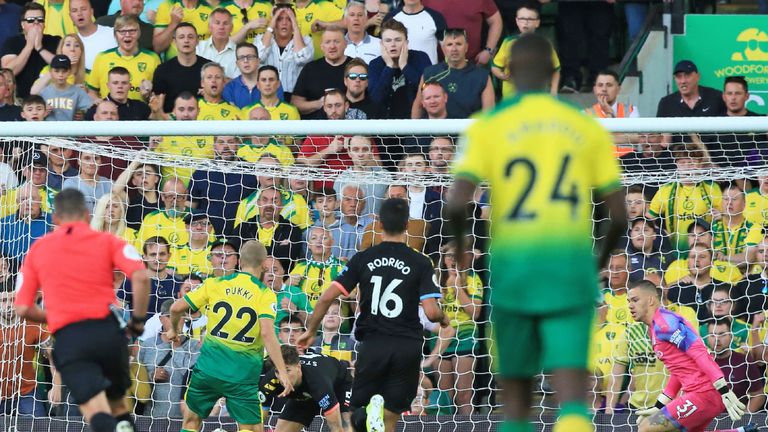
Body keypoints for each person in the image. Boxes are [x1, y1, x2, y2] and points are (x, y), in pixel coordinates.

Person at [447, 33, 626, 432]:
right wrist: (595, 263)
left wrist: (461, 250)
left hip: (512, 266)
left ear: (507, 74)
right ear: (553, 75)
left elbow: (456, 203)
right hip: (569, 264)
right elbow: (618, 215)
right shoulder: (586, 127)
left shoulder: (487, 126)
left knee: (515, 405)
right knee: (573, 399)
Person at [297, 198, 447, 432]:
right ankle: (376, 412)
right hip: (407, 345)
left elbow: (326, 298)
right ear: (407, 225)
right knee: (393, 413)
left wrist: (311, 331)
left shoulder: (363, 258)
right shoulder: (421, 262)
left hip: (373, 342)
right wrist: (444, 318)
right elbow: (431, 311)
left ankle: (367, 412)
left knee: (356, 410)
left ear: (378, 224)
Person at [14, 189, 150, 432]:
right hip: (109, 332)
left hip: (72, 337)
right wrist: (138, 322)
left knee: (94, 411)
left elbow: (23, 307)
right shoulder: (108, 241)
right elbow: (140, 277)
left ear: (55, 218)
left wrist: (57, 315)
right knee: (118, 407)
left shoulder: (39, 249)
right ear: (87, 216)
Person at [166, 240, 294, 432]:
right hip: (242, 377)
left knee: (191, 422)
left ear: (240, 261)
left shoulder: (214, 284)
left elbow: (176, 308)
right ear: (265, 265)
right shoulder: (265, 294)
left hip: (208, 371)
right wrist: (283, 372)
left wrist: (174, 330)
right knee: (251, 428)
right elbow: (267, 333)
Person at [627, 281, 755, 432]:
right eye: (628, 301)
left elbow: (700, 353)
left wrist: (724, 390)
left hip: (703, 395)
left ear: (650, 300)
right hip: (696, 394)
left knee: (646, 427)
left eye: (635, 300)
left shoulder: (666, 325)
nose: (630, 306)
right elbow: (678, 369)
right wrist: (659, 405)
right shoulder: (655, 328)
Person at [259, 345, 353, 432]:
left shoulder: (318, 382)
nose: (282, 377)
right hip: (306, 393)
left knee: (347, 424)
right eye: (277, 371)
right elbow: (259, 420)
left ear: (298, 367)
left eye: (287, 370)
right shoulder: (269, 381)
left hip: (339, 383)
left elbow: (335, 426)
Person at [648, 143, 722, 253]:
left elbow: (727, 217)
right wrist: (661, 233)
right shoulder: (666, 190)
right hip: (675, 251)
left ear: (700, 165)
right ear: (677, 165)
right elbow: (648, 219)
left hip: (705, 252)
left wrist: (721, 216)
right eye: (682, 163)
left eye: (691, 163)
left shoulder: (712, 188)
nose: (687, 167)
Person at [138, 298, 201, 418]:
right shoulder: (148, 345)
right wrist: (152, 376)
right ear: (161, 319)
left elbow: (192, 378)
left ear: (185, 319)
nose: (175, 320)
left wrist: (177, 346)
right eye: (169, 316)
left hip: (184, 418)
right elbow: (137, 379)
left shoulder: (194, 346)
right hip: (152, 418)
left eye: (179, 316)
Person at [412, 28, 494, 119]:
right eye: (449, 44)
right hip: (436, 132)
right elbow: (418, 106)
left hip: (469, 131)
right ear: (443, 49)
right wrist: (414, 132)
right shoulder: (430, 73)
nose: (454, 49)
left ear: (466, 47)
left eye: (459, 44)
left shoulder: (482, 76)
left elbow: (489, 114)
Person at [189, 135, 258, 236]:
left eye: (230, 142)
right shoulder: (201, 172)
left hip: (242, 236)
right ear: (214, 146)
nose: (225, 146)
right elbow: (191, 206)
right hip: (208, 237)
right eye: (221, 142)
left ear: (238, 145)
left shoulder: (250, 171)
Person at [0, 284, 49, 417]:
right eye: (4, 301)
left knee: (41, 426)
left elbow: (53, 354)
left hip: (26, 392)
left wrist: (56, 387)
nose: (9, 305)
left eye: (13, 300)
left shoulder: (32, 322)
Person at [492, 2, 559, 97]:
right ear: (517, 21)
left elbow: (556, 69)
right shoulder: (508, 43)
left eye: (530, 19)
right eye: (522, 19)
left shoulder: (544, 44)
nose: (525, 22)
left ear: (537, 22)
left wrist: (554, 90)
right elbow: (495, 66)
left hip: (537, 98)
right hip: (511, 99)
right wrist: (501, 75)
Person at [87, 15, 160, 101]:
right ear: (115, 35)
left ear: (139, 33)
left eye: (132, 31)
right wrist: (100, 103)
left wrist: (148, 95)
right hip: (110, 113)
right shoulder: (102, 58)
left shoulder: (152, 58)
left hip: (140, 113)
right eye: (122, 32)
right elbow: (91, 92)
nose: (127, 35)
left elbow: (159, 96)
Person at [368, 19, 431, 119]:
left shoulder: (421, 58)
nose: (393, 44)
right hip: (385, 127)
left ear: (406, 42)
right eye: (388, 40)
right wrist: (389, 67)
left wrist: (404, 66)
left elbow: (427, 91)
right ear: (381, 44)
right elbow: (375, 99)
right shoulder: (375, 64)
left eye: (398, 40)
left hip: (416, 125)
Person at [254, 4, 313, 101]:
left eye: (289, 19)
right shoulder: (262, 39)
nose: (284, 23)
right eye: (279, 19)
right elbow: (259, 57)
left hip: (295, 98)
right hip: (267, 97)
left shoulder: (305, 41)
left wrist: (295, 25)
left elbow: (302, 59)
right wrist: (271, 26)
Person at [706, 318, 766, 413]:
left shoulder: (744, 361)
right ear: (707, 337)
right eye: (712, 335)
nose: (717, 339)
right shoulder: (701, 362)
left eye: (722, 334)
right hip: (705, 421)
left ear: (731, 336)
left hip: (735, 420)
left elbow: (758, 395)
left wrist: (744, 416)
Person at [1, 3, 61, 98]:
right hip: (19, 101)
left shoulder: (56, 41)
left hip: (51, 101)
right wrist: (29, 46)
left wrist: (39, 48)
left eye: (40, 20)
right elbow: (8, 73)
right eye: (30, 20)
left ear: (44, 24)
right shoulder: (12, 42)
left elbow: (63, 66)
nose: (36, 23)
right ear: (22, 24)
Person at [238, 186, 305, 271]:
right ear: (258, 203)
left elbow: (289, 255)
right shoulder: (243, 228)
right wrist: (277, 250)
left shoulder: (292, 230)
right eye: (265, 200)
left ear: (281, 205)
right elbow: (238, 255)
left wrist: (252, 252)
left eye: (274, 201)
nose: (269, 205)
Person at [292, 27, 351, 119]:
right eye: (327, 42)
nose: (332, 46)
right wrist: (318, 104)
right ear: (321, 46)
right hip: (315, 128)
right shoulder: (310, 68)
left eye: (336, 41)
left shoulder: (355, 67)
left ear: (345, 44)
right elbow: (295, 103)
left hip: (349, 127)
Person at [152, 23, 211, 113]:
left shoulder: (209, 68)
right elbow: (158, 107)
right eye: (181, 37)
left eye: (190, 37)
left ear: (197, 41)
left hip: (203, 122)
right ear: (175, 42)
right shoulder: (162, 70)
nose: (186, 40)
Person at [714, 76, 767, 168]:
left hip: (755, 180)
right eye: (729, 93)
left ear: (747, 96)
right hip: (722, 179)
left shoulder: (761, 121)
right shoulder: (712, 124)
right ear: (724, 96)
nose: (733, 98)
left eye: (738, 93)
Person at [288, 226, 345, 307]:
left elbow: (353, 295)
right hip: (305, 317)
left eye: (324, 238)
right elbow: (285, 292)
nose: (319, 241)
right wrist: (288, 283)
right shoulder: (300, 267)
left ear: (332, 242)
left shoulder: (342, 267)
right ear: (309, 245)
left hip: (333, 317)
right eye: (314, 238)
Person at [657, 60, 726, 118]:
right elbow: (658, 132)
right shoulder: (666, 103)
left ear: (698, 76)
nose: (683, 81)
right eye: (679, 77)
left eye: (687, 75)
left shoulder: (716, 97)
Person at [223, 43, 284, 108]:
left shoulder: (272, 83)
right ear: (237, 64)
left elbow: (277, 111)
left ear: (258, 61)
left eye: (250, 57)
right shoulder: (230, 87)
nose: (245, 61)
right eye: (241, 58)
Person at [0, 184, 51, 262]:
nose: (28, 203)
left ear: (40, 200)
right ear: (17, 202)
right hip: (13, 272)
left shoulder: (53, 221)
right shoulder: (4, 224)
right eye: (23, 199)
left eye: (32, 199)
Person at [384, 0, 445, 65]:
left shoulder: (436, 17)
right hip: (398, 73)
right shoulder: (390, 18)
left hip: (428, 73)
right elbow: (383, 48)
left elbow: (447, 47)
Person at [38, 54, 92, 121]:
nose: (60, 75)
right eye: (56, 71)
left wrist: (83, 115)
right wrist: (41, 111)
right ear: (50, 72)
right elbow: (34, 114)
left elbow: (90, 111)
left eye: (64, 71)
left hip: (71, 130)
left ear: (69, 72)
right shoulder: (43, 92)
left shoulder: (78, 92)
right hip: (49, 130)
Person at [68, 0, 117, 71]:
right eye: (74, 10)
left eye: (83, 9)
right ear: (70, 16)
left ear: (91, 12)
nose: (79, 13)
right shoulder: (71, 45)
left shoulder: (112, 33)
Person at [196, 8, 238, 78]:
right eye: (217, 23)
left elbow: (238, 83)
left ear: (231, 28)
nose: (221, 27)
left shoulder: (238, 53)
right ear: (209, 27)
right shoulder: (198, 48)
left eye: (225, 23)